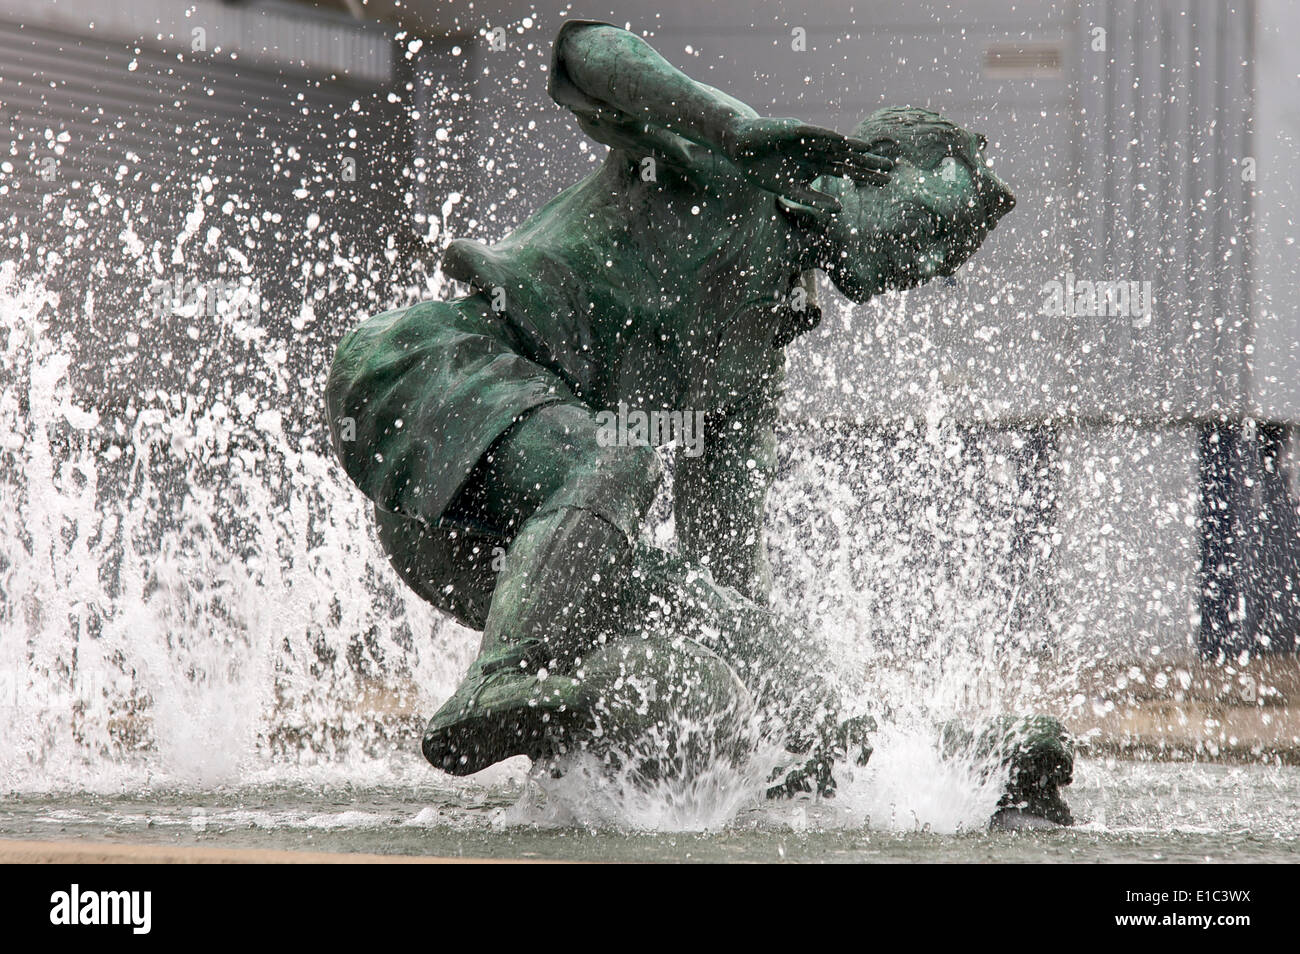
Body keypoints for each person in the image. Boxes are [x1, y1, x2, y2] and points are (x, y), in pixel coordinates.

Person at [326, 20, 1072, 821]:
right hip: (439, 388)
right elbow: (586, 52)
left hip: (509, 555)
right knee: (620, 456)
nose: (923, 268)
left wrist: (778, 682)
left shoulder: (754, 359)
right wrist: (733, 129)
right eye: (930, 232)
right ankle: (497, 678)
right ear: (878, 171)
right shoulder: (727, 164)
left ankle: (948, 771)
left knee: (745, 640)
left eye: (944, 261)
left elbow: (724, 582)